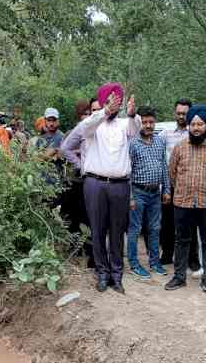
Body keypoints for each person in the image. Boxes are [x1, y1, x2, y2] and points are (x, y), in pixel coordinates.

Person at [66, 82, 140, 294]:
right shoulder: (92, 123)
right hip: (95, 184)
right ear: (103, 102)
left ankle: (117, 276)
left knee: (117, 232)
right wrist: (104, 111)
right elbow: (83, 131)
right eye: (110, 100)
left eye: (117, 101)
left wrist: (133, 114)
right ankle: (102, 273)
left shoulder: (124, 124)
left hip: (120, 185)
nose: (114, 105)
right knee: (97, 231)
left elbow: (134, 130)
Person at [164, 105, 206, 293]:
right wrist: (183, 189)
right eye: (193, 124)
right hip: (183, 203)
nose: (196, 128)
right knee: (181, 241)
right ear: (189, 125)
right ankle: (179, 277)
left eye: (200, 124)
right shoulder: (180, 147)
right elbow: (172, 173)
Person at [127, 107, 170, 278]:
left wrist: (166, 190)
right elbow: (127, 172)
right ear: (140, 123)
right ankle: (134, 263)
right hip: (138, 191)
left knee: (154, 228)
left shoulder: (160, 141)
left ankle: (154, 262)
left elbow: (164, 167)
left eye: (151, 122)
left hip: (155, 193)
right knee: (135, 229)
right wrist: (129, 196)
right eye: (144, 122)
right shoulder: (133, 143)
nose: (148, 125)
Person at [158, 98, 198, 269]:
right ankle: (167, 254)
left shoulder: (196, 133)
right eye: (179, 113)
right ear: (175, 113)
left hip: (191, 187)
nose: (181, 116)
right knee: (167, 222)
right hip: (170, 186)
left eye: (185, 113)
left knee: (190, 223)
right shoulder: (165, 134)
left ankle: (192, 258)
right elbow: (157, 155)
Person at [60, 100, 96, 266]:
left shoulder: (94, 132)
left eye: (89, 114)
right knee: (73, 217)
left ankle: (90, 252)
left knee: (88, 217)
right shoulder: (71, 132)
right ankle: (74, 249)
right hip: (73, 181)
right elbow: (63, 152)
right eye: (84, 114)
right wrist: (79, 160)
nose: (87, 117)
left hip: (90, 181)